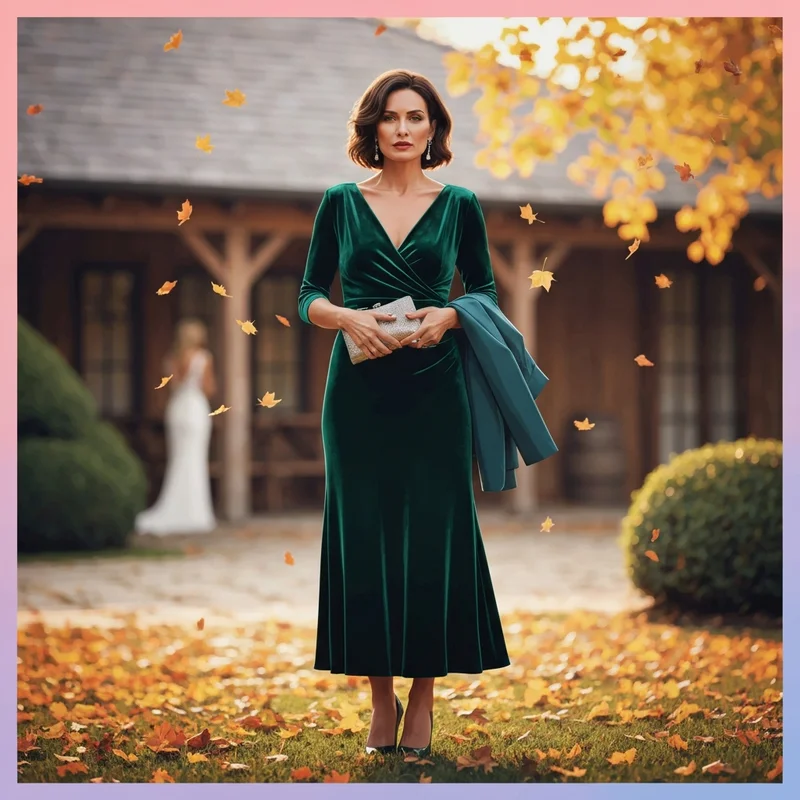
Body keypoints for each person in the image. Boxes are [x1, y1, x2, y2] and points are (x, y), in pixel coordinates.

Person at [297, 69, 513, 758]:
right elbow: (307, 293)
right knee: (363, 537)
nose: (402, 128)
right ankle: (380, 698)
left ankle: (422, 697)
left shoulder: (460, 205)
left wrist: (450, 316)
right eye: (391, 116)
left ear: (433, 129)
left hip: (434, 391)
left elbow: (484, 290)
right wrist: (344, 317)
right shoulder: (339, 202)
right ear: (374, 126)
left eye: (415, 117)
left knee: (432, 539)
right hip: (357, 395)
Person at [135, 318, 217, 536]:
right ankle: (195, 513)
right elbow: (209, 388)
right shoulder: (203, 358)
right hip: (195, 407)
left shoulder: (172, 359)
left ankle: (178, 509)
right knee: (195, 459)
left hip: (178, 408)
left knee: (179, 458)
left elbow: (170, 387)